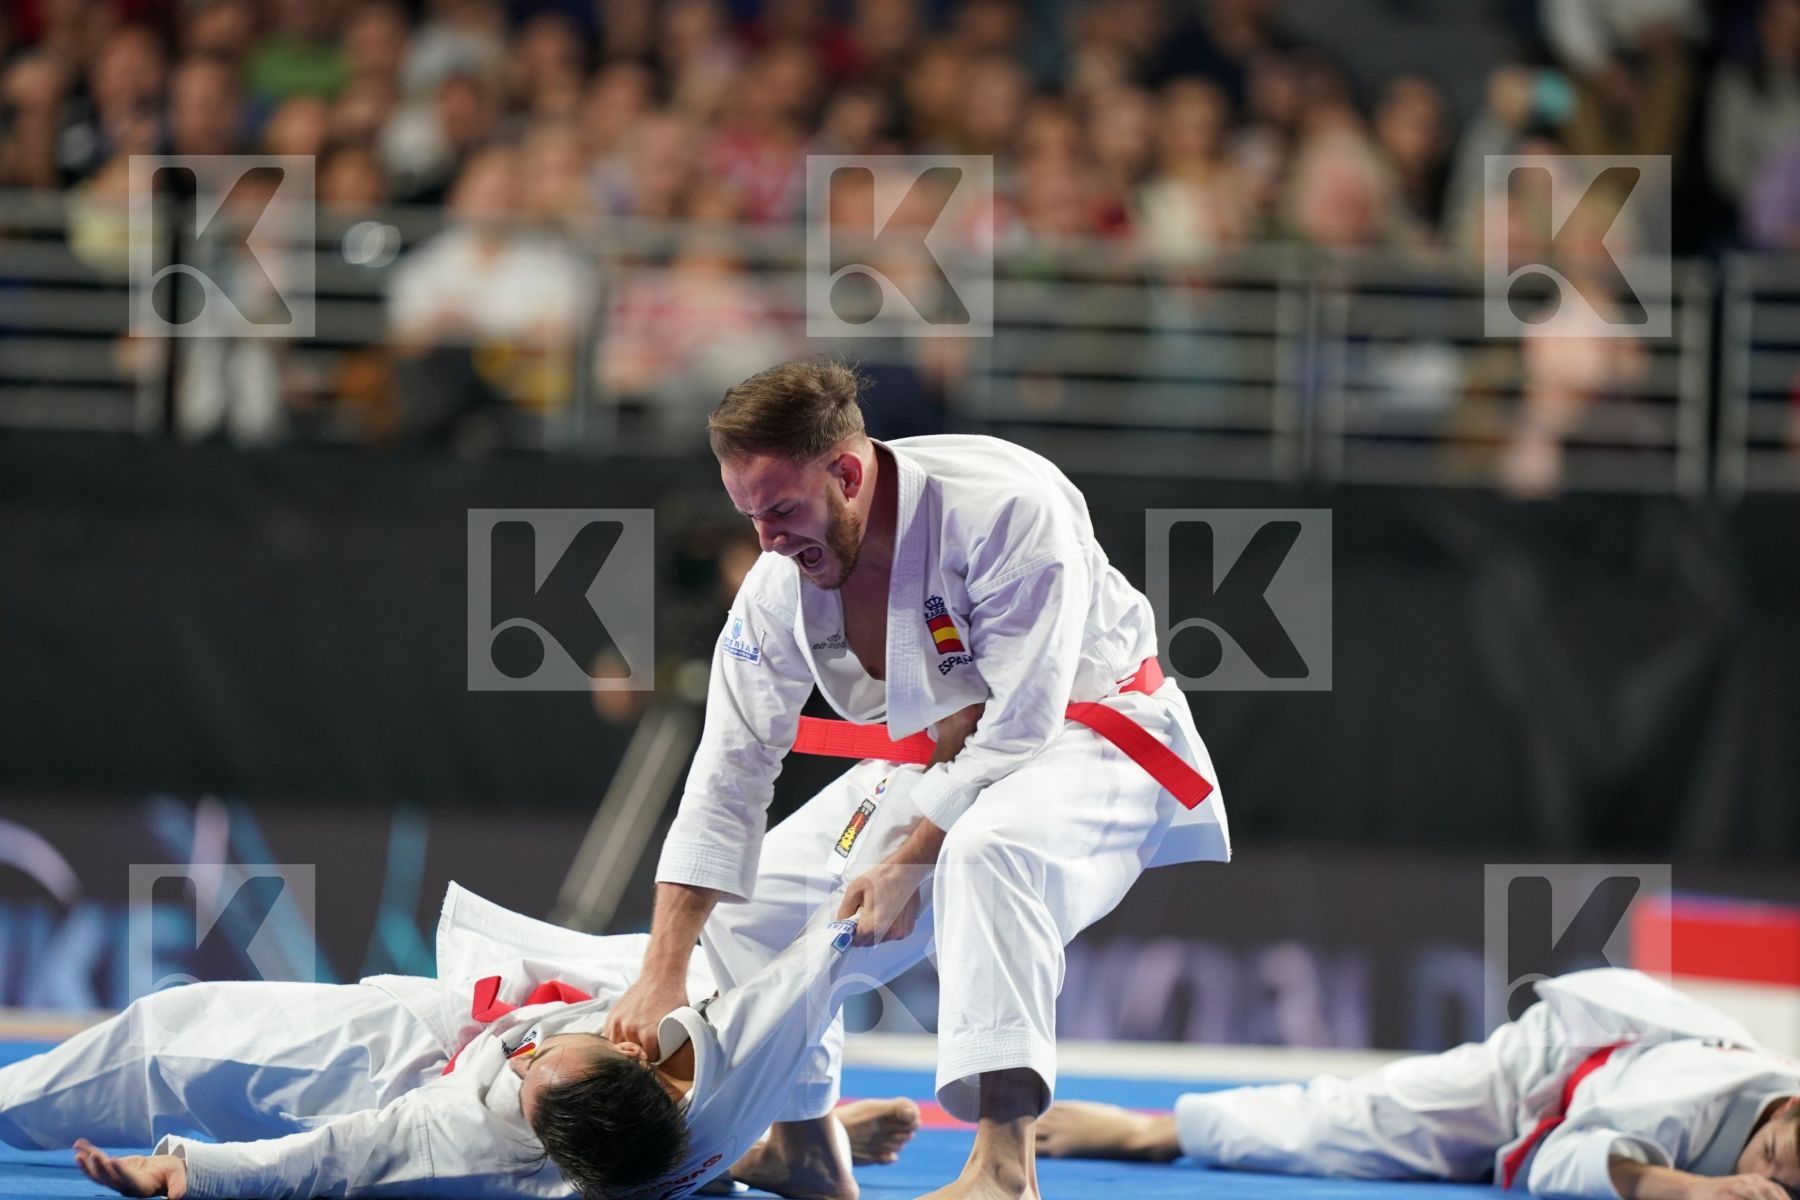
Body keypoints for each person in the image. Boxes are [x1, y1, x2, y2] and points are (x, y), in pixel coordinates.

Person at [605, 358, 1231, 1200]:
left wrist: (910, 856)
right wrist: (663, 967)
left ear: (849, 473)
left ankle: (1003, 1171)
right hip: (950, 759)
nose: (766, 541)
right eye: (749, 515)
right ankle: (804, 1147)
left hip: (1095, 736)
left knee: (988, 850)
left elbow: (1021, 725)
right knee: (757, 904)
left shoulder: (1006, 507)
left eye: (783, 509)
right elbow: (728, 766)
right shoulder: (775, 583)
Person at [0, 868, 926, 1200]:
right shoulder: (718, 1060)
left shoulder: (467, 1138)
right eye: (545, 1053)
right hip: (686, 1136)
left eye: (528, 1071)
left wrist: (190, 1172)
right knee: (790, 947)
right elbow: (814, 977)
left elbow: (331, 1161)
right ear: (638, 1057)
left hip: (403, 1059)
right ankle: (785, 1157)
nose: (529, 1050)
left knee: (167, 1033)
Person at [1036, 968, 1800, 1200]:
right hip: (1552, 1067)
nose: (1763, 1179)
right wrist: (1691, 1191)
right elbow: (1560, 1160)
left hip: (1610, 1083)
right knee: (1355, 1123)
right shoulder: (1688, 1095)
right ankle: (1158, 1131)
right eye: (1769, 1153)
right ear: (1787, 1110)